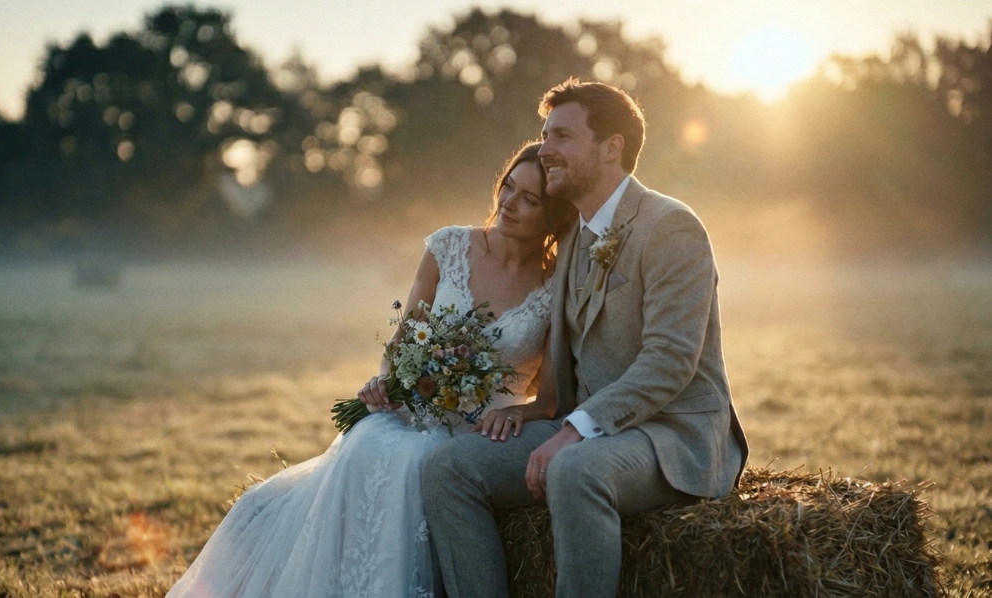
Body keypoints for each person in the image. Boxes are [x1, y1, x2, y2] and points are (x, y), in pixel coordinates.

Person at [165, 142, 577, 598]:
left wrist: (522, 413)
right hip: (416, 409)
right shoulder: (449, 247)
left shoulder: (555, 286)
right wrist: (387, 381)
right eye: (508, 187)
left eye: (529, 199)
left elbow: (552, 399)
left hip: (481, 432)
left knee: (421, 462)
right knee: (369, 440)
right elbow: (404, 342)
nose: (509, 203)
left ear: (553, 215)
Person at [422, 78, 750, 597]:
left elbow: (669, 360)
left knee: (574, 471)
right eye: (545, 134)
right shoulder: (572, 234)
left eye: (562, 137)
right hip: (591, 429)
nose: (545, 149)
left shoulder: (671, 227)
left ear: (611, 147)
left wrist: (576, 429)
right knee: (449, 466)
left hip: (671, 438)